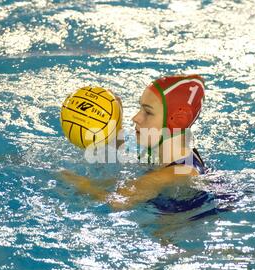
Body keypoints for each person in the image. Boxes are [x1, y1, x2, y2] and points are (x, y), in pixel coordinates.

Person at [59, 74, 207, 211]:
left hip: (181, 233)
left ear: (177, 120)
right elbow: (119, 163)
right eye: (140, 108)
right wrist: (115, 123)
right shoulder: (162, 154)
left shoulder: (177, 173)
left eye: (147, 112)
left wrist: (79, 183)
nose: (135, 118)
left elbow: (119, 202)